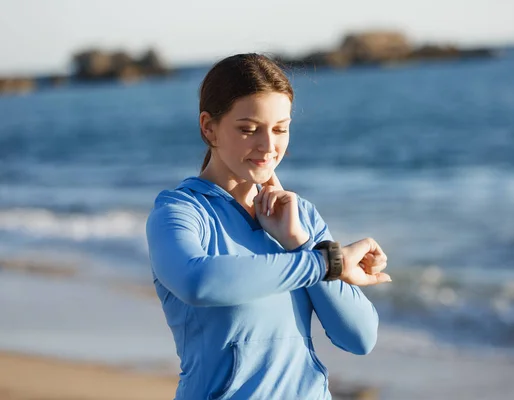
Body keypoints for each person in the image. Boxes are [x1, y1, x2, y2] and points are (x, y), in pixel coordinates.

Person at [145, 53, 391, 400]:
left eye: (280, 129)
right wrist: (324, 263)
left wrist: (300, 242)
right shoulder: (180, 212)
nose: (268, 146)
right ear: (208, 127)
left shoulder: (298, 215)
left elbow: (360, 337)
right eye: (248, 130)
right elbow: (198, 283)